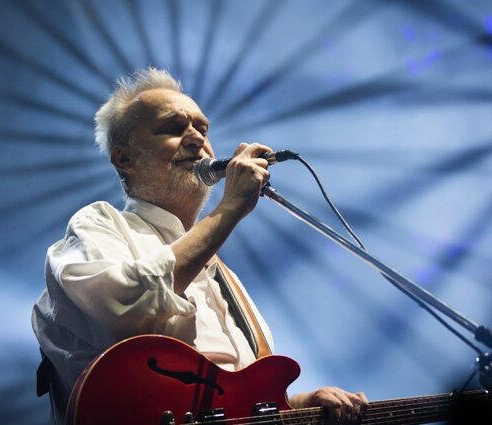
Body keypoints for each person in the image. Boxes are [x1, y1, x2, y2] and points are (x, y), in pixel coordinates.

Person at [32, 68, 368, 425]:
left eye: (202, 129)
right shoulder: (98, 225)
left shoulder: (223, 275)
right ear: (124, 158)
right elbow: (122, 311)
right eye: (173, 128)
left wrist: (304, 403)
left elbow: (240, 398)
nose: (196, 139)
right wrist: (228, 210)